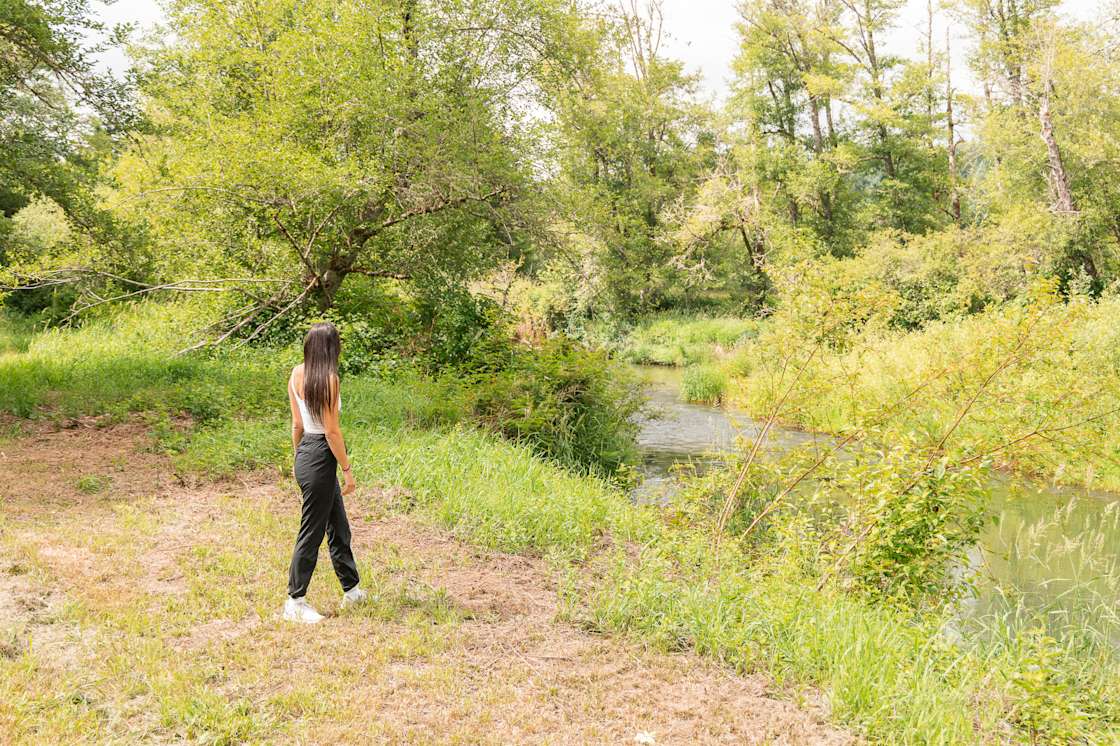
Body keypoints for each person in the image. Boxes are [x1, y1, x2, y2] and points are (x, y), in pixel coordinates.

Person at [282, 322, 368, 623]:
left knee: (338, 527)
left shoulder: (296, 373)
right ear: (330, 349)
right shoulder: (330, 378)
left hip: (307, 451)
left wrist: (299, 458)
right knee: (312, 531)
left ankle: (352, 590)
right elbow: (331, 431)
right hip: (321, 455)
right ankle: (294, 600)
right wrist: (347, 470)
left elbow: (296, 425)